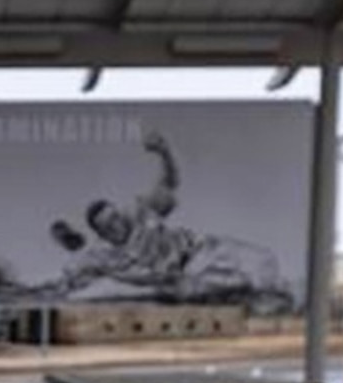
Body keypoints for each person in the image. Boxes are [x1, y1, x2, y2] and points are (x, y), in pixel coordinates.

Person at [40, 131, 290, 310]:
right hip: (185, 279)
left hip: (202, 250)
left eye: (115, 217)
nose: (117, 225)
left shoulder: (138, 211)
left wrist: (164, 153)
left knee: (263, 261)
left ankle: (275, 297)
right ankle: (252, 300)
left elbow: (170, 183)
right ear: (102, 233)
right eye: (109, 226)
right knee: (213, 291)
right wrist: (64, 238)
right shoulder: (101, 255)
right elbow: (69, 278)